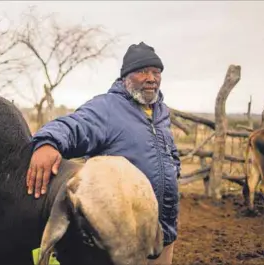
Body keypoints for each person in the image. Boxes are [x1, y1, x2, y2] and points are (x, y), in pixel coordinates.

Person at [26, 41, 181, 265]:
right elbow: (73, 126)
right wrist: (47, 142)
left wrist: (174, 171)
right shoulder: (107, 108)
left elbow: (170, 152)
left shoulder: (160, 113)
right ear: (126, 76)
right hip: (119, 236)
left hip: (161, 228)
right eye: (142, 71)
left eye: (156, 72)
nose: (151, 78)